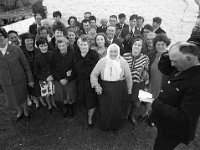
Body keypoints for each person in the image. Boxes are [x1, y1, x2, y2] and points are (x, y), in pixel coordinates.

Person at [150, 41, 200, 150]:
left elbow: (184, 116)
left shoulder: (196, 82)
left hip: (174, 130)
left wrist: (157, 104)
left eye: (174, 61)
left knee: (160, 147)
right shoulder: (182, 66)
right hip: (165, 122)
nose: (172, 64)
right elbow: (163, 67)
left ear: (188, 59)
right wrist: (166, 54)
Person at [90, 44, 132, 132]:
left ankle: (115, 126)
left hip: (119, 88)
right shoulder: (102, 61)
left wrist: (129, 90)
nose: (113, 54)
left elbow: (128, 77)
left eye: (115, 51)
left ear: (119, 52)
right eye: (111, 51)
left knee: (117, 108)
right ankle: (105, 126)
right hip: (105, 88)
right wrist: (96, 86)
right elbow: (93, 75)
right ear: (108, 51)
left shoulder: (123, 62)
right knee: (105, 108)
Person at [0, 28, 33, 121]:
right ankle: (19, 111)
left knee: (22, 97)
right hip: (6, 82)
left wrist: (30, 79)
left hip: (19, 79)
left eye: (1, 36)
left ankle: (26, 111)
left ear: (5, 37)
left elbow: (26, 65)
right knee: (12, 98)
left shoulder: (16, 49)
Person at [141, 34, 171, 126]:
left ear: (166, 45)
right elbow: (146, 66)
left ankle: (153, 118)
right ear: (155, 45)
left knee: (158, 102)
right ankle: (146, 113)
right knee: (147, 98)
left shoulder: (169, 56)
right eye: (158, 44)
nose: (160, 46)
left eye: (163, 44)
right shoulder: (151, 54)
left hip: (162, 83)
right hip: (150, 81)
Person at [123, 36, 149, 130]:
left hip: (138, 84)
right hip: (126, 83)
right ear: (132, 45)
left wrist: (145, 73)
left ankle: (131, 116)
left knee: (136, 103)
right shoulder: (125, 56)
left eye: (139, 45)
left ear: (142, 47)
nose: (137, 46)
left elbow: (146, 68)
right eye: (135, 44)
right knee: (126, 101)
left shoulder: (145, 58)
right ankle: (124, 116)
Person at [74, 36, 99, 128]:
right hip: (81, 82)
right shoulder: (76, 54)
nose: (83, 46)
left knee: (91, 101)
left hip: (91, 82)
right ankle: (88, 112)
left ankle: (90, 118)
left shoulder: (94, 54)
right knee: (84, 99)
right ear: (78, 45)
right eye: (81, 44)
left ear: (88, 45)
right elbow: (75, 68)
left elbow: (95, 70)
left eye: (85, 44)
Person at [50, 37, 76, 118]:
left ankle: (70, 107)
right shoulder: (54, 55)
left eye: (63, 45)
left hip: (70, 79)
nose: (62, 48)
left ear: (67, 45)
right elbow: (53, 68)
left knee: (70, 95)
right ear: (57, 46)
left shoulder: (72, 54)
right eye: (59, 46)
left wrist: (67, 79)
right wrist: (60, 79)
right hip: (59, 79)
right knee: (63, 95)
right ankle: (65, 107)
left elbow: (75, 69)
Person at [20, 32, 44, 108]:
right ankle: (36, 101)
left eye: (31, 40)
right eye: (27, 40)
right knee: (31, 88)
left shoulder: (37, 50)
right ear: (23, 41)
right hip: (27, 73)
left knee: (38, 87)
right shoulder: (21, 51)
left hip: (37, 72)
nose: (30, 42)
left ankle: (41, 100)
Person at [34, 37, 57, 113]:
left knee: (52, 92)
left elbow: (55, 66)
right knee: (47, 94)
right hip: (43, 79)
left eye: (45, 45)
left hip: (52, 77)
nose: (44, 47)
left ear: (47, 45)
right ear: (38, 47)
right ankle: (49, 106)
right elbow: (36, 72)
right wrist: (45, 78)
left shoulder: (52, 53)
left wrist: (53, 75)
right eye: (41, 46)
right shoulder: (37, 57)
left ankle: (53, 103)